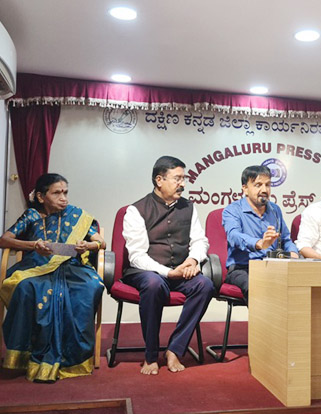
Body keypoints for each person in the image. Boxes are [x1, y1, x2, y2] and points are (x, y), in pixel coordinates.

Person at [0, 173, 105, 382]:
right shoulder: (31, 216)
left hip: (73, 267)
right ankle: (26, 355)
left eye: (65, 192)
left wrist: (88, 245)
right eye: (57, 193)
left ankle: (74, 357)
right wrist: (33, 245)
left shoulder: (77, 215)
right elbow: (4, 240)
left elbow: (101, 242)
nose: (63, 198)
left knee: (90, 287)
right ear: (41, 197)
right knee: (26, 287)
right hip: (36, 266)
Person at [122, 156, 214, 375]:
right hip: (147, 272)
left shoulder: (189, 207)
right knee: (154, 285)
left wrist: (193, 260)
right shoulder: (136, 210)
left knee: (205, 285)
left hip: (180, 270)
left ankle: (175, 349)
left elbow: (200, 241)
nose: (183, 184)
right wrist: (168, 272)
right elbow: (136, 255)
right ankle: (151, 355)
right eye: (177, 179)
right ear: (159, 180)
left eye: (184, 179)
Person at [223, 165, 298, 304]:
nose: (264, 190)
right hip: (243, 268)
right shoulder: (232, 210)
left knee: (300, 285)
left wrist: (293, 253)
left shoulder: (275, 210)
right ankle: (265, 319)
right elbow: (233, 236)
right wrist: (259, 243)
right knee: (258, 286)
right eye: (258, 185)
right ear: (245, 188)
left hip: (273, 266)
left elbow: (286, 240)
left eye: (267, 185)